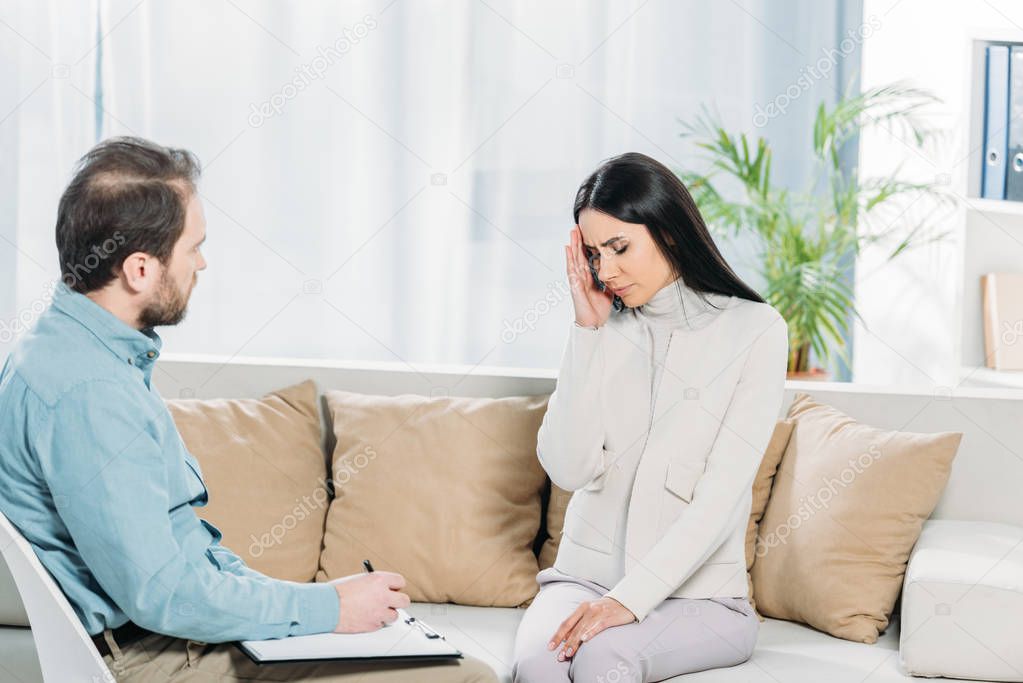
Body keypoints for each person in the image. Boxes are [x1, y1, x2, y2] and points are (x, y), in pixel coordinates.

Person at [0, 136, 495, 683]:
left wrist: (316, 601)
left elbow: (180, 563)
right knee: (464, 676)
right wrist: (332, 611)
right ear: (140, 269)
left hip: (167, 636)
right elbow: (163, 594)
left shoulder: (60, 348)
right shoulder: (90, 393)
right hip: (155, 655)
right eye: (193, 247)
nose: (202, 263)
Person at [513, 152, 789, 682]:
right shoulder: (602, 329)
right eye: (594, 253)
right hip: (582, 581)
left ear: (670, 232)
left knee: (603, 660)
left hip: (700, 599)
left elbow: (721, 496)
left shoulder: (755, 330)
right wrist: (586, 334)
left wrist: (631, 601)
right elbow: (569, 470)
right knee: (537, 665)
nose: (606, 270)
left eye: (620, 247)